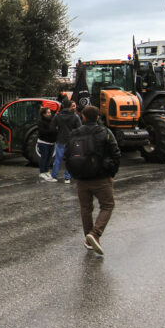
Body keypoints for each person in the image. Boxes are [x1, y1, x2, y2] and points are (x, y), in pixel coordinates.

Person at [64, 105, 121, 255]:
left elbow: (67, 154)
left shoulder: (75, 133)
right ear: (97, 117)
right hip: (101, 177)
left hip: (81, 178)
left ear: (83, 117)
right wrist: (111, 173)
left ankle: (89, 239)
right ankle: (95, 234)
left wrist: (73, 173)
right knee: (108, 205)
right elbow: (116, 153)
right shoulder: (105, 132)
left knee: (85, 208)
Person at [52, 98, 82, 183]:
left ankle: (54, 176)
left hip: (60, 139)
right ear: (70, 106)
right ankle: (67, 178)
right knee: (69, 159)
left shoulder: (57, 116)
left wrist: (58, 133)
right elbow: (80, 129)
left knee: (58, 159)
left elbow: (52, 128)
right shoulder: (75, 116)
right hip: (71, 141)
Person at [36, 106, 59, 182]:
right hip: (43, 142)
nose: (50, 114)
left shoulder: (52, 120)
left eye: (50, 112)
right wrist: (52, 131)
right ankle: (42, 172)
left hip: (51, 142)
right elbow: (42, 132)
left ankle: (46, 171)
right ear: (44, 114)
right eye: (48, 112)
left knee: (49, 158)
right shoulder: (41, 122)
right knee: (44, 157)